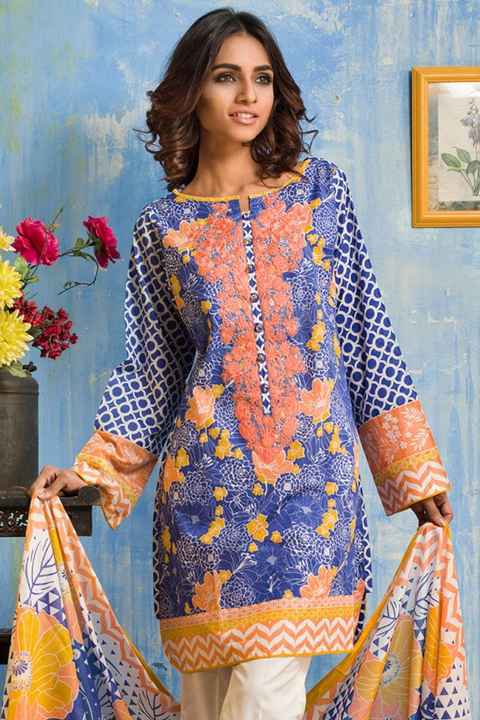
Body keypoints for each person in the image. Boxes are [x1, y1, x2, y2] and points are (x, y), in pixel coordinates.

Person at [28, 7, 454, 720]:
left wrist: (413, 475)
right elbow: (152, 372)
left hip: (314, 497)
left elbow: (365, 332)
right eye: (227, 77)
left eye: (262, 78)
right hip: (202, 503)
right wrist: (92, 470)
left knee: (263, 696)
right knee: (208, 704)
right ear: (192, 90)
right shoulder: (164, 227)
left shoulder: (321, 194)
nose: (249, 95)